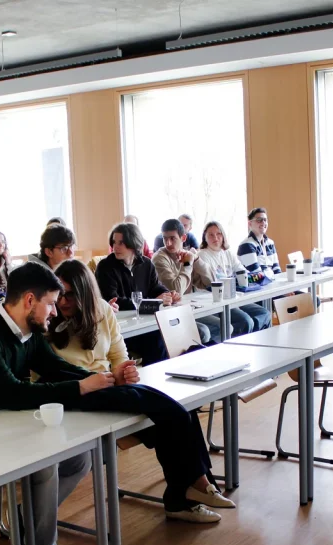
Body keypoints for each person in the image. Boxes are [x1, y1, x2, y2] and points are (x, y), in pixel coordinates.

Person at [0, 264, 225, 545]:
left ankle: (26, 521)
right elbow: (12, 392)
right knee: (44, 465)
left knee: (79, 458)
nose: (56, 311)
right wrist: (83, 388)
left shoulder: (25, 333)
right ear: (30, 300)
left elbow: (55, 368)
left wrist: (104, 382)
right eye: (52, 303)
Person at [50, 259, 232, 510]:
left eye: (70, 295)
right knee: (170, 412)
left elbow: (118, 354)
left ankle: (184, 498)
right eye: (59, 294)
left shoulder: (102, 310)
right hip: (76, 393)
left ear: (86, 293)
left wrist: (121, 371)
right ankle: (199, 486)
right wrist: (105, 379)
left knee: (176, 412)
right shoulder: (48, 320)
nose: (61, 302)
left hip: (109, 386)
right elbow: (48, 376)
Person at [95, 222, 175, 364]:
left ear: (134, 244)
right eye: (114, 242)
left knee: (169, 335)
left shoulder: (146, 263)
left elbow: (156, 287)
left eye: (121, 243)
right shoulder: (105, 267)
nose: (115, 247)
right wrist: (153, 301)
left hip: (145, 323)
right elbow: (113, 300)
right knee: (157, 341)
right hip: (121, 329)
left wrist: (167, 294)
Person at [194, 221, 271, 335]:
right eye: (211, 234)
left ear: (223, 236)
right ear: (205, 238)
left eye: (219, 234)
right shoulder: (202, 255)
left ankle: (253, 335)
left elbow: (241, 271)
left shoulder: (228, 253)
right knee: (246, 321)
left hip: (234, 297)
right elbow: (212, 281)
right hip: (214, 300)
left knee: (264, 313)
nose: (215, 237)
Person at [151, 218, 217, 342]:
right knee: (207, 331)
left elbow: (211, 283)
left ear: (183, 238)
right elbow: (175, 290)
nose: (168, 243)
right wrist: (187, 265)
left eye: (172, 238)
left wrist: (196, 260)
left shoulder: (187, 255)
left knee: (228, 325)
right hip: (171, 313)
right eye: (165, 238)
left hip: (191, 308)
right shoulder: (159, 259)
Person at [236, 208, 281, 283]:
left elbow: (277, 270)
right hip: (259, 288)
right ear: (250, 224)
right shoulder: (246, 245)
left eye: (265, 220)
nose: (263, 222)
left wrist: (283, 287)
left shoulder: (270, 243)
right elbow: (257, 275)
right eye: (259, 220)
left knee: (301, 294)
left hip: (272, 285)